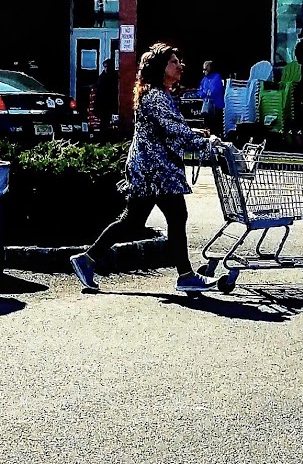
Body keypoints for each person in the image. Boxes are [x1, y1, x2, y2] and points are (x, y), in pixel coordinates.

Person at [72, 44, 222, 294]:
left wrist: (196, 134)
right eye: (174, 62)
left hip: (151, 168)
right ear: (160, 68)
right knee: (175, 215)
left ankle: (87, 259)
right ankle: (185, 275)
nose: (180, 66)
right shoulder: (156, 97)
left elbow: (169, 128)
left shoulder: (158, 95)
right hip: (154, 170)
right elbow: (174, 130)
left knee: (133, 220)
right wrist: (205, 143)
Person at [197, 60, 227, 134]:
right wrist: (204, 93)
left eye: (205, 69)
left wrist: (205, 93)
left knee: (216, 128)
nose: (203, 72)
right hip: (207, 107)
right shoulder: (204, 79)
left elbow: (213, 92)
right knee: (207, 126)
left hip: (217, 107)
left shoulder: (217, 77)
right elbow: (200, 91)